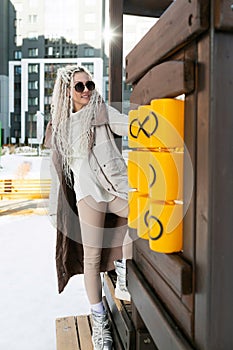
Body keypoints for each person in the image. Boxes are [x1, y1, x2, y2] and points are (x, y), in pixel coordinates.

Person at [47, 65, 132, 350]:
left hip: (115, 188)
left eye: (90, 85)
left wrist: (141, 125)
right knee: (91, 259)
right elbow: (59, 169)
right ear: (67, 92)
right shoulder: (59, 127)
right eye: (79, 86)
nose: (87, 91)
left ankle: (122, 270)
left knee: (142, 217)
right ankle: (100, 321)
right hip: (88, 197)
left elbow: (125, 124)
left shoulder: (101, 111)